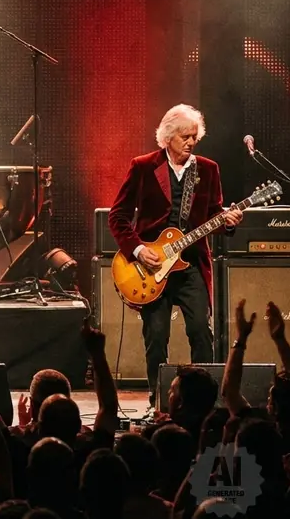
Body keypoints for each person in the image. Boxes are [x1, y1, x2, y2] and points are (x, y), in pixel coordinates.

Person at [107, 104, 242, 411]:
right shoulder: (143, 166)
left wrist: (227, 222)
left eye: (195, 136)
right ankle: (160, 402)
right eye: (185, 136)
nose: (191, 142)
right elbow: (118, 216)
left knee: (201, 332)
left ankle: (204, 402)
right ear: (167, 137)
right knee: (156, 336)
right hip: (150, 267)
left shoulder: (208, 169)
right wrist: (139, 250)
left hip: (191, 264)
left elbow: (212, 216)